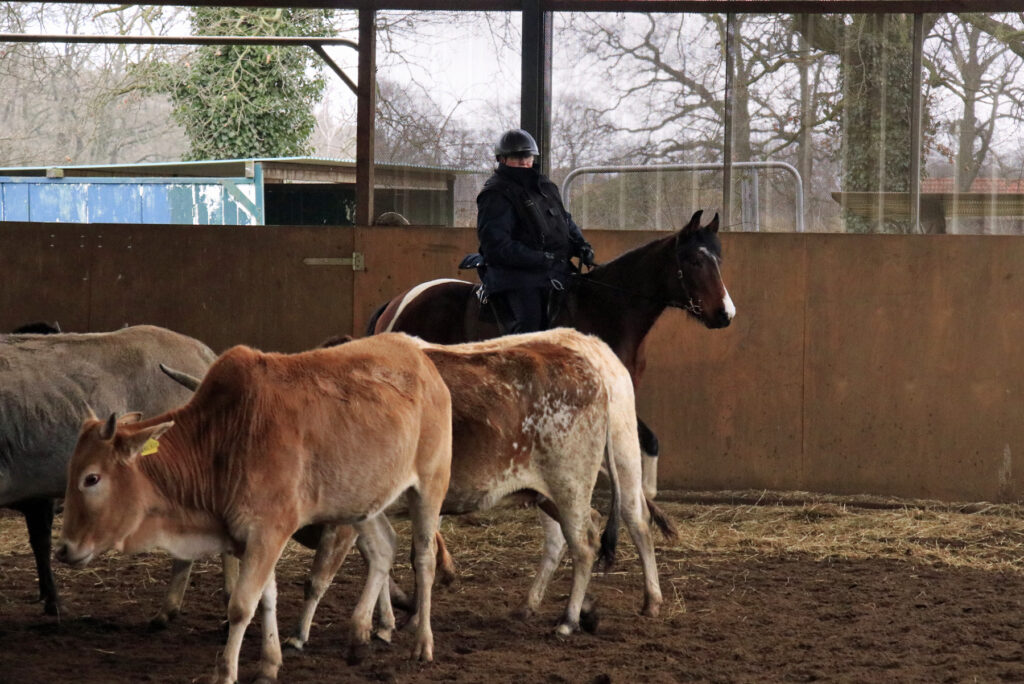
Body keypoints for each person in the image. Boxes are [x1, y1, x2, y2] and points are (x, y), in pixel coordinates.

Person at [475, 128, 595, 334]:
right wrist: (539, 258)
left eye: (527, 156)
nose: (523, 161)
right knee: (531, 326)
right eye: (516, 156)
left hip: (553, 270)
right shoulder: (495, 193)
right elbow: (496, 245)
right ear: (502, 159)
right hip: (516, 275)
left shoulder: (546, 186)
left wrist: (581, 244)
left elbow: (564, 220)